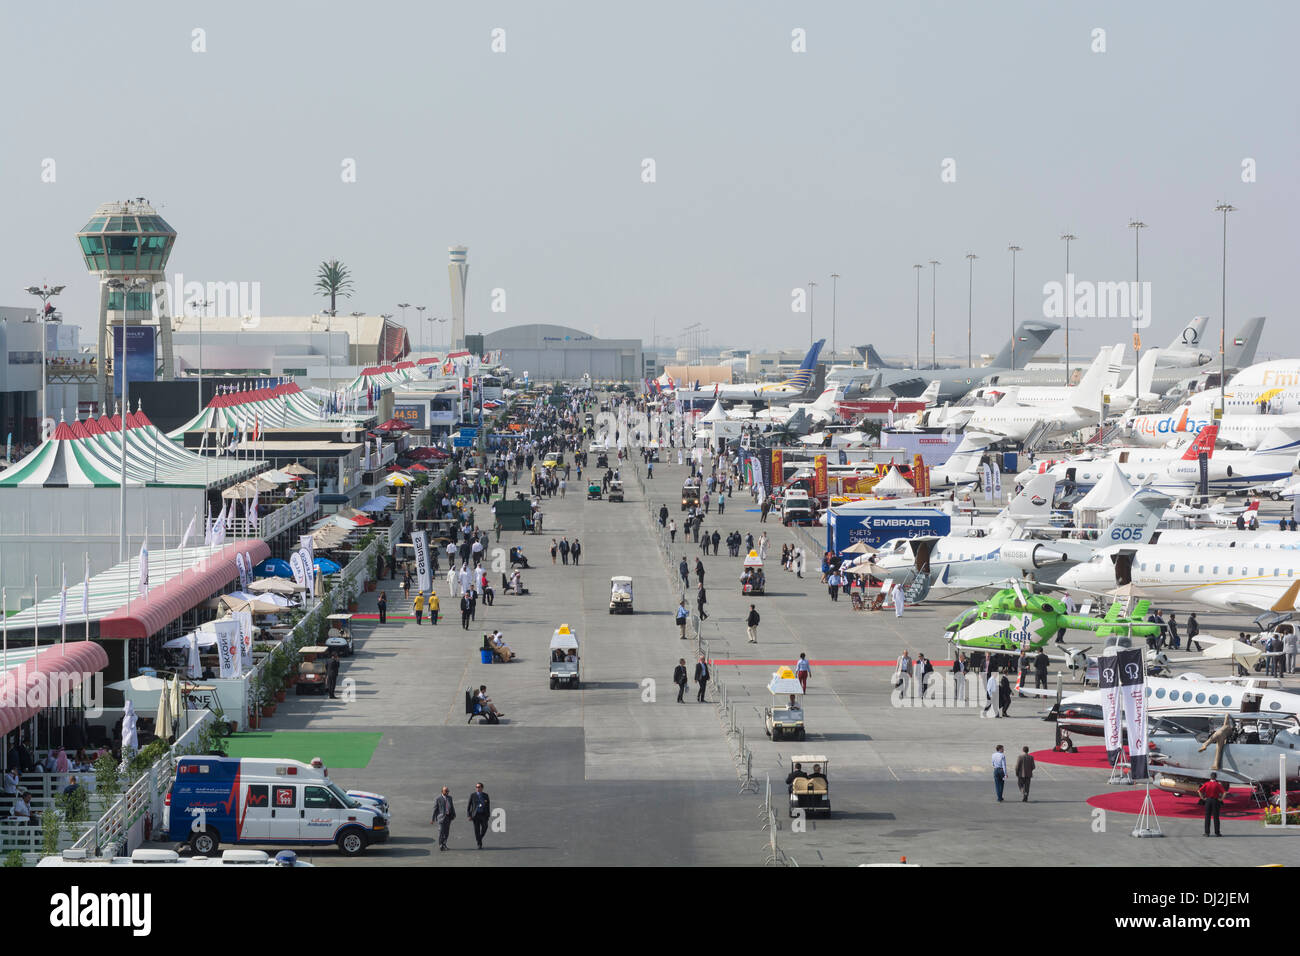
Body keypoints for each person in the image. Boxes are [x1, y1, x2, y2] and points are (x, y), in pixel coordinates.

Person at [1199, 772, 1226, 837]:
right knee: (1216, 817)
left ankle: (1207, 832)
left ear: (1210, 777)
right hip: (1215, 800)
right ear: (1215, 777)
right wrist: (1221, 799)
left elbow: (1199, 791)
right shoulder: (1218, 784)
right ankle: (1217, 832)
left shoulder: (1206, 784)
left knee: (1207, 816)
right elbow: (1224, 792)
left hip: (1208, 800)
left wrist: (1202, 798)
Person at [467, 782, 491, 850]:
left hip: (483, 814)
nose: (477, 788)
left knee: (485, 827)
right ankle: (479, 844)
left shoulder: (485, 795)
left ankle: (479, 838)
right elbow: (469, 806)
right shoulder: (473, 795)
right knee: (477, 830)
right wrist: (469, 815)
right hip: (476, 815)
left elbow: (488, 805)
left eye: (479, 787)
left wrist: (488, 815)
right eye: (476, 787)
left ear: (482, 788)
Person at [432, 785, 456, 850]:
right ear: (442, 791)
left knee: (446, 832)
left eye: (448, 791)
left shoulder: (450, 798)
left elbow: (452, 806)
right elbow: (435, 809)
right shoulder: (438, 799)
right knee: (441, 832)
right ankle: (440, 844)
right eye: (446, 791)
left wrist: (454, 814)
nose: (447, 792)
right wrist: (433, 819)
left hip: (448, 817)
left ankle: (444, 844)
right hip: (441, 818)